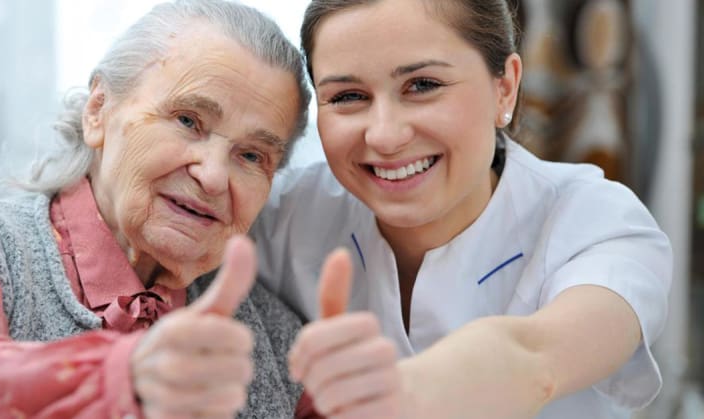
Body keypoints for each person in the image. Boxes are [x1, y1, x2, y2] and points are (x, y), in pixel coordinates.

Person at [252, 0, 672, 418]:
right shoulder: (281, 216)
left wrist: (402, 393)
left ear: (504, 87)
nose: (385, 135)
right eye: (347, 96)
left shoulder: (596, 220)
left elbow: (537, 357)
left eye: (422, 85)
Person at [0, 1, 313, 418]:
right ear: (98, 110)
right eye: (188, 121)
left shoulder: (278, 339)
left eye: (251, 156)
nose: (212, 176)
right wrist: (125, 378)